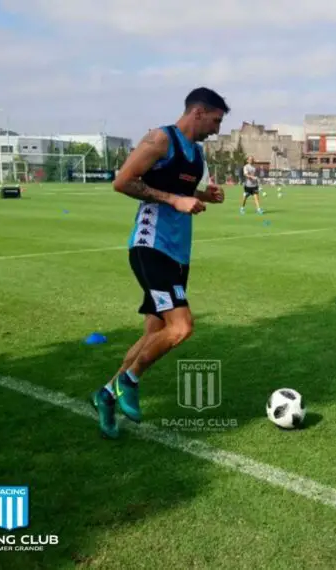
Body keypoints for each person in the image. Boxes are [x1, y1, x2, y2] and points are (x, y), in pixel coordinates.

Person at [90, 87, 229, 439]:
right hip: (150, 245)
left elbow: (178, 190)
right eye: (215, 120)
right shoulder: (159, 139)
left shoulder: (196, 153)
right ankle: (128, 380)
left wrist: (201, 196)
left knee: (155, 333)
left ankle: (106, 395)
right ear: (198, 112)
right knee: (181, 328)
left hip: (177, 253)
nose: (217, 129)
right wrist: (175, 200)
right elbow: (122, 182)